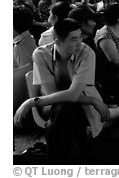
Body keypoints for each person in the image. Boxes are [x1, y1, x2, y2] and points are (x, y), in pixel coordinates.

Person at [14, 19, 110, 162]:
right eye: (74, 39)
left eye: (80, 37)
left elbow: (74, 94)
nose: (80, 43)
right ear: (58, 42)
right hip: (53, 104)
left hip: (76, 103)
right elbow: (53, 94)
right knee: (66, 110)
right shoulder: (40, 54)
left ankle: (58, 162)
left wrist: (30, 102)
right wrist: (92, 100)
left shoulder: (86, 52)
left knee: (63, 115)